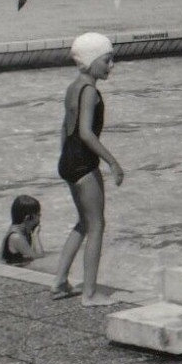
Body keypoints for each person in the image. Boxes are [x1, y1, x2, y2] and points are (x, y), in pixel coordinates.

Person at [52, 32, 125, 306]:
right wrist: (112, 162)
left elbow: (64, 127)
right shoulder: (91, 91)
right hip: (83, 162)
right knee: (97, 225)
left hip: (69, 160)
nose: (111, 65)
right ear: (92, 60)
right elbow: (85, 132)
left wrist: (64, 160)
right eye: (107, 60)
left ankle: (59, 280)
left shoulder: (73, 87)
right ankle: (90, 294)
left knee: (83, 222)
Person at [1, 195, 46, 264]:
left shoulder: (20, 232)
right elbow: (40, 258)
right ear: (27, 218)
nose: (39, 218)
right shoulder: (16, 237)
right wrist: (36, 235)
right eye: (38, 215)